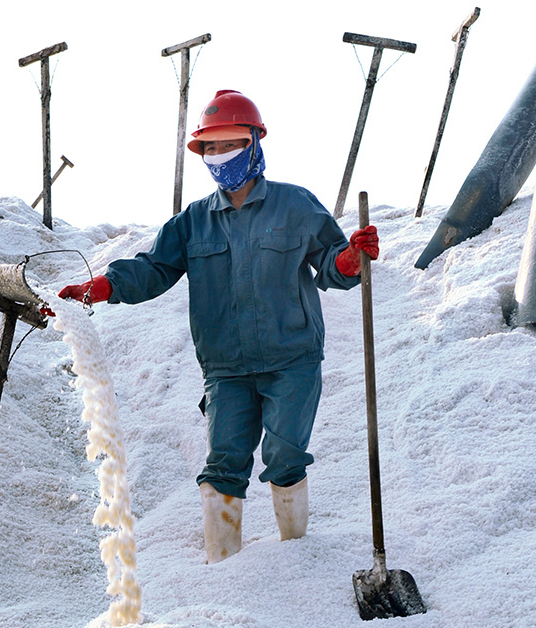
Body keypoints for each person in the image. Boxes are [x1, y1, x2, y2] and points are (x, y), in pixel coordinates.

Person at [56, 90, 379, 564]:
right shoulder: (193, 222)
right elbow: (152, 269)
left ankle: (296, 559)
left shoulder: (295, 206)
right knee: (224, 460)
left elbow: (332, 265)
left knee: (285, 455)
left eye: (230, 144)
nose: (220, 155)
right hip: (226, 368)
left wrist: (350, 258)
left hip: (292, 359)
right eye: (211, 147)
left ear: (254, 142)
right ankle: (221, 566)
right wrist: (100, 287)